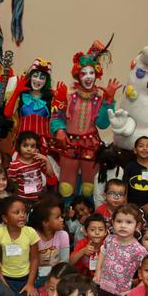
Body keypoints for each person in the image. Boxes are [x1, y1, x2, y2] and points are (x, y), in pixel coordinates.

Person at [51, 42, 120, 199]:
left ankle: (89, 219)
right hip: (69, 143)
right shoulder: (68, 95)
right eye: (84, 73)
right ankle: (67, 216)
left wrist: (109, 100)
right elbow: (57, 116)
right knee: (66, 187)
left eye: (91, 73)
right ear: (77, 75)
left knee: (89, 187)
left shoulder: (99, 97)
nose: (88, 77)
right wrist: (60, 130)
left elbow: (103, 124)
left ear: (96, 75)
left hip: (90, 144)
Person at [0, 196, 41, 296]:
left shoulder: (30, 232)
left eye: (24, 212)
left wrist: (30, 284)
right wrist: (3, 285)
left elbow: (35, 259)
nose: (22, 215)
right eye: (16, 212)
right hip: (4, 279)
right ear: (5, 218)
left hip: (25, 279)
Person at [93, 204, 148, 296]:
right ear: (113, 223)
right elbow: (103, 251)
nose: (123, 225)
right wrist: (98, 271)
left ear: (137, 226)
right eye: (119, 221)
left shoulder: (139, 250)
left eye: (128, 222)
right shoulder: (109, 239)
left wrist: (134, 291)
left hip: (120, 294)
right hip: (101, 286)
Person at [4, 57, 57, 155]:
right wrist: (16, 92)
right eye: (35, 76)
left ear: (46, 81)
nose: (37, 80)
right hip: (22, 145)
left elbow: (57, 122)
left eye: (42, 78)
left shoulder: (51, 98)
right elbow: (7, 113)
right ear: (30, 76)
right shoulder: (21, 95)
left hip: (42, 146)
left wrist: (61, 101)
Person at [31, 198, 70, 292]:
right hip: (35, 277)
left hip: (56, 277)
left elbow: (64, 263)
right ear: (45, 223)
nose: (62, 219)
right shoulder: (32, 235)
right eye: (57, 217)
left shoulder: (63, 235)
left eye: (61, 216)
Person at [7, 131, 55, 202]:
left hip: (39, 199)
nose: (29, 149)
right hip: (22, 200)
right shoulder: (14, 165)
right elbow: (10, 183)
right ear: (19, 146)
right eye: (25, 145)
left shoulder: (38, 161)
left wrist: (46, 160)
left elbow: (50, 174)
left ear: (36, 148)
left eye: (32, 146)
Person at [123, 136, 148, 214]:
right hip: (131, 205)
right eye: (141, 146)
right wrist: (125, 203)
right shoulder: (130, 166)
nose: (145, 148)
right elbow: (125, 186)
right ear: (135, 150)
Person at [92, 143, 125, 210]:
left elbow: (98, 197)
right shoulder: (100, 176)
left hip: (119, 207)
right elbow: (98, 197)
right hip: (105, 209)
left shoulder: (120, 170)